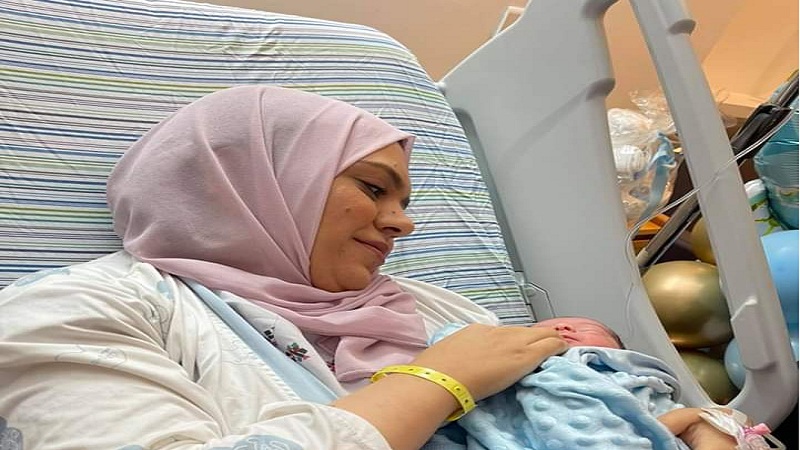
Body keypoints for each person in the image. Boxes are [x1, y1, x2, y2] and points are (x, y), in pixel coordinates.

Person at [0, 85, 744, 450]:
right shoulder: (81, 312)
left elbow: (577, 411)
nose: (403, 222)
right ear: (253, 181)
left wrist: (706, 427)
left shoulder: (435, 307)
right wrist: (434, 383)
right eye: (373, 187)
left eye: (407, 200)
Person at [425, 317, 771, 450]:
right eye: (542, 328)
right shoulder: (508, 369)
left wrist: (694, 422)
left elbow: (669, 416)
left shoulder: (631, 377)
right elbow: (453, 347)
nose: (562, 329)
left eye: (586, 328)